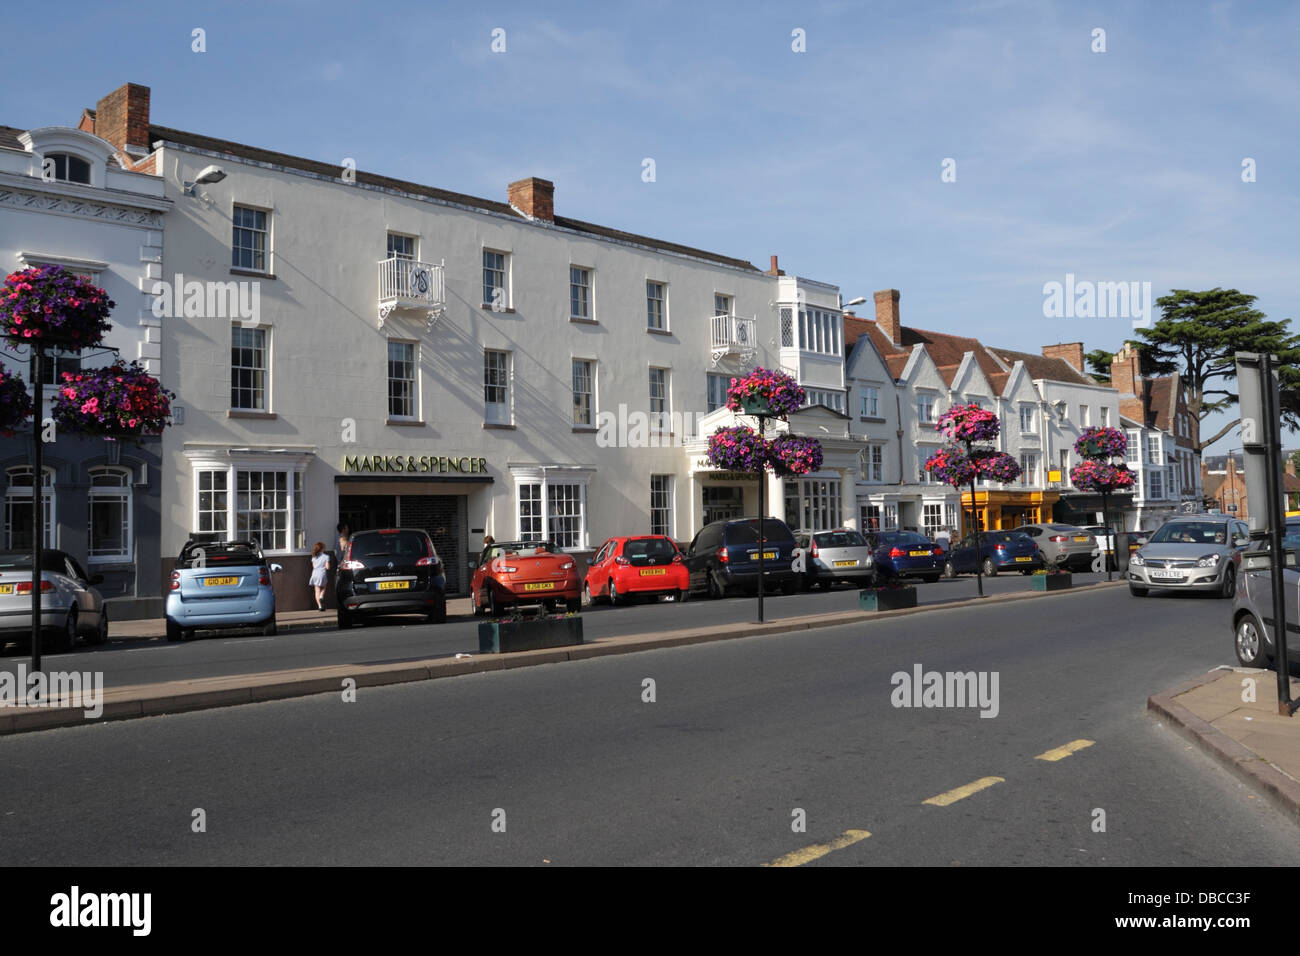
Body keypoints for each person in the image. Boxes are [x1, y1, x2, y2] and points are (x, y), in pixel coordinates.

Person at [309, 542, 330, 611]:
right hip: (322, 573)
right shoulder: (326, 556)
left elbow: (313, 566)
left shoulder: (314, 557)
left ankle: (320, 606)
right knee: (324, 587)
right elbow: (327, 567)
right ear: (322, 548)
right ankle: (321, 596)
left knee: (316, 590)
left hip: (314, 574)